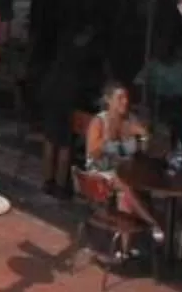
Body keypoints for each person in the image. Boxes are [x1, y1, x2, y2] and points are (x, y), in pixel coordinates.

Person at [84, 82, 160, 257]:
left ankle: (125, 250)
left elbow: (146, 146)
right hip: (99, 174)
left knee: (133, 191)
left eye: (126, 98)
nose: (124, 102)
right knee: (125, 187)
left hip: (125, 172)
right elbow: (93, 153)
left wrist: (144, 135)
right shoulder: (99, 121)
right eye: (120, 98)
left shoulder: (130, 121)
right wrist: (107, 140)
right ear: (108, 100)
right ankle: (152, 223)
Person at [33, 30, 105, 199]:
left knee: (51, 141)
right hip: (67, 100)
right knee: (64, 144)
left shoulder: (62, 55)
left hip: (53, 97)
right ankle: (58, 185)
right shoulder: (82, 57)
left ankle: (48, 182)